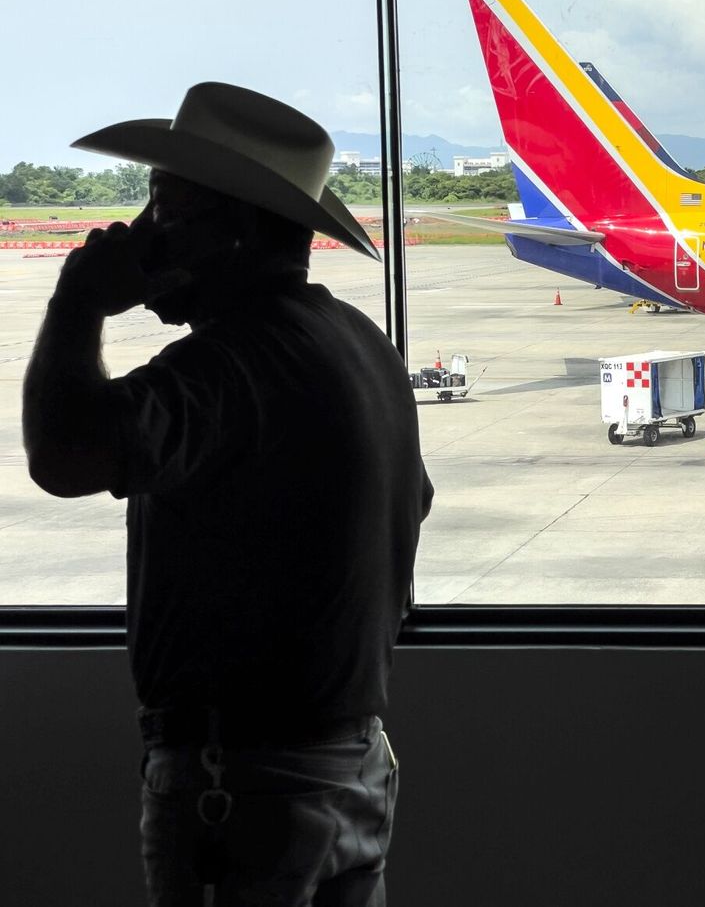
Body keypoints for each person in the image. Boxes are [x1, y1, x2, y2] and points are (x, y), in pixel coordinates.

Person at [22, 82, 433, 904]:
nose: (139, 235)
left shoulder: (231, 364)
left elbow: (62, 455)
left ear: (237, 232)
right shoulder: (360, 343)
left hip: (245, 785)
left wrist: (79, 298)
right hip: (352, 765)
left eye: (167, 211)